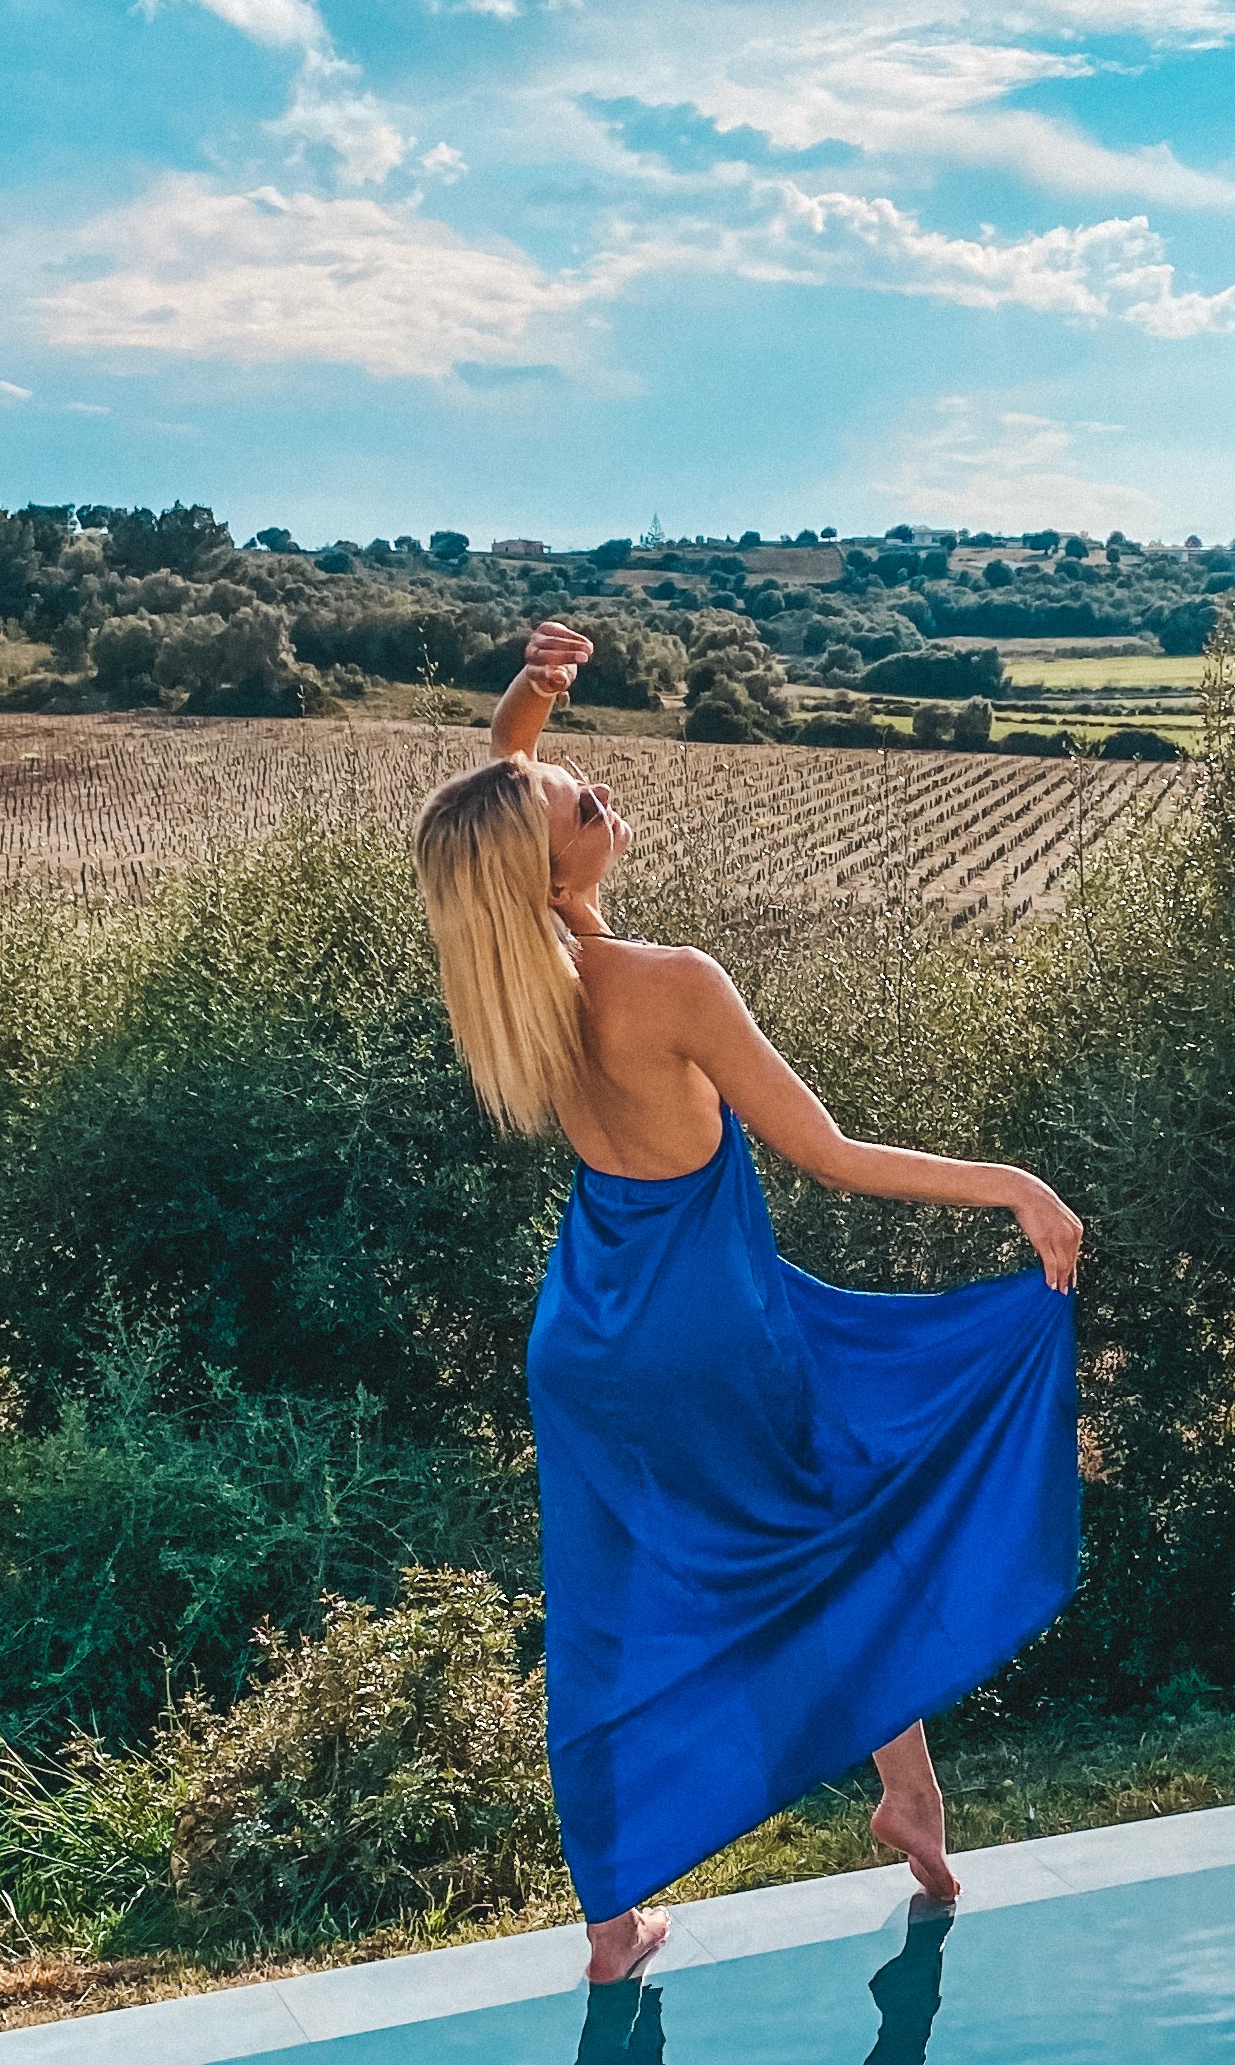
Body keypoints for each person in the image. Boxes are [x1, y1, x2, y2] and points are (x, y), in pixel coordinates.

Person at [414, 620, 1083, 1983]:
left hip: (589, 1330)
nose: (595, 792)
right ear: (548, 865)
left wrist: (532, 700)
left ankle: (617, 1921)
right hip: (710, 1323)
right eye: (577, 802)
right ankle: (907, 1790)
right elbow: (832, 1156)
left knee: (604, 1610)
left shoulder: (519, 979)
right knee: (853, 1506)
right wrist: (1014, 1187)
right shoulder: (669, 986)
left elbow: (495, 790)